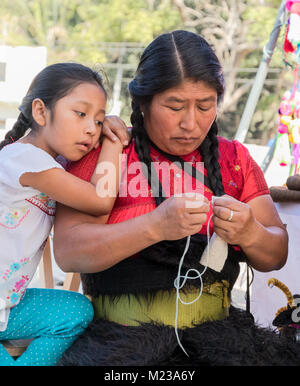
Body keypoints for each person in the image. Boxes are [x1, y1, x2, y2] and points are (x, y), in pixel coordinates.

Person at [54, 31, 300, 366]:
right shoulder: (107, 152)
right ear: (142, 103)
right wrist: (154, 227)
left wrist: (251, 233)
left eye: (205, 106)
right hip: (117, 337)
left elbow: (275, 254)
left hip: (222, 339)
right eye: (174, 106)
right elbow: (69, 251)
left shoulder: (234, 159)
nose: (190, 123)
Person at [0, 62, 129, 366]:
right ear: (41, 112)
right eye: (81, 114)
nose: (91, 128)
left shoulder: (48, 164)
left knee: (76, 312)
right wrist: (113, 142)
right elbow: (100, 199)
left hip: (9, 306)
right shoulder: (23, 159)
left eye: (98, 121)